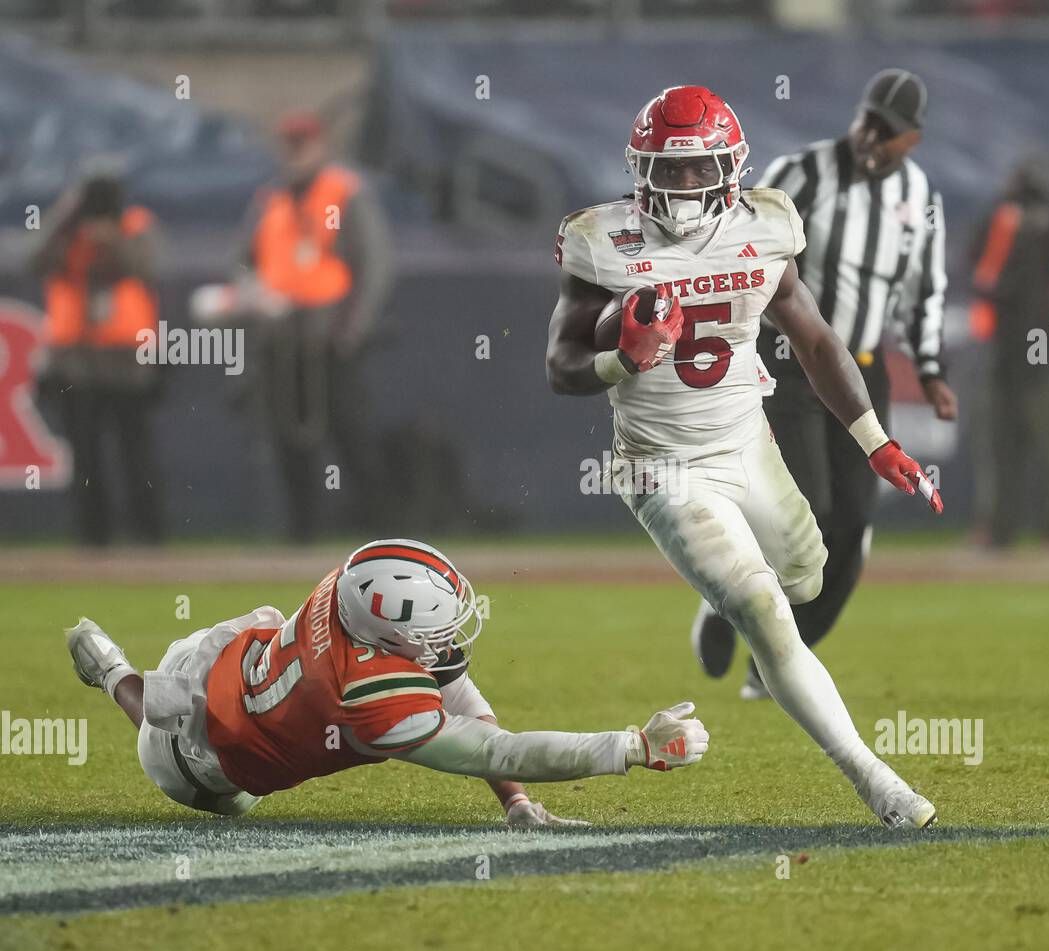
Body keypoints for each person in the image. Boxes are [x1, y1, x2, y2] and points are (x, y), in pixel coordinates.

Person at [546, 85, 941, 829]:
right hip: (661, 463)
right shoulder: (603, 239)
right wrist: (618, 361)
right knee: (764, 610)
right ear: (641, 168)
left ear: (731, 167)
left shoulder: (766, 224)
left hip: (746, 440)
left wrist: (876, 441)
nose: (686, 185)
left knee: (805, 575)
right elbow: (560, 363)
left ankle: (720, 589)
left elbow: (817, 339)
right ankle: (877, 782)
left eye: (701, 170)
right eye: (671, 168)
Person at [65, 538, 709, 822]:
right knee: (180, 727)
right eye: (435, 625)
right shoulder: (367, 694)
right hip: (192, 760)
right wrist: (631, 748)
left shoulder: (347, 588)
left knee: (262, 622)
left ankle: (152, 678)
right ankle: (110, 668)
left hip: (239, 662)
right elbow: (495, 748)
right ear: (386, 630)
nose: (451, 635)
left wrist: (514, 804)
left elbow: (461, 699)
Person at [696, 68, 957, 699]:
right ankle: (726, 597)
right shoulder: (802, 174)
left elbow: (923, 291)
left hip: (859, 369)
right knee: (805, 504)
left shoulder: (920, 196)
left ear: (913, 140)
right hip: (789, 361)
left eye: (887, 132)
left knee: (852, 529)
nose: (871, 137)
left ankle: (775, 659)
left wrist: (930, 369)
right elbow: (738, 244)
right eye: (867, 120)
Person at [236, 110, 393, 542]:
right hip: (282, 338)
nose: (294, 153)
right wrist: (253, 295)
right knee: (287, 435)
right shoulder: (271, 199)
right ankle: (301, 532)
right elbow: (244, 261)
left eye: (302, 143)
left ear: (320, 145)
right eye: (288, 144)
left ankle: (381, 531)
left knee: (348, 432)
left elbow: (374, 264)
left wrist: (351, 329)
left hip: (329, 337)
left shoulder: (344, 192)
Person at [968, 151, 1049, 548]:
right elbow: (979, 270)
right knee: (999, 442)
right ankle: (997, 529)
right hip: (1004, 348)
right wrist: (1012, 217)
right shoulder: (1001, 219)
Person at [32, 174, 165, 545]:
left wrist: (114, 238)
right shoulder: (66, 233)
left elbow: (146, 267)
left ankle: (148, 536)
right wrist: (62, 217)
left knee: (134, 454)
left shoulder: (135, 226)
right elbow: (33, 260)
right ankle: (93, 538)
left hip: (126, 358)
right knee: (86, 455)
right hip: (76, 359)